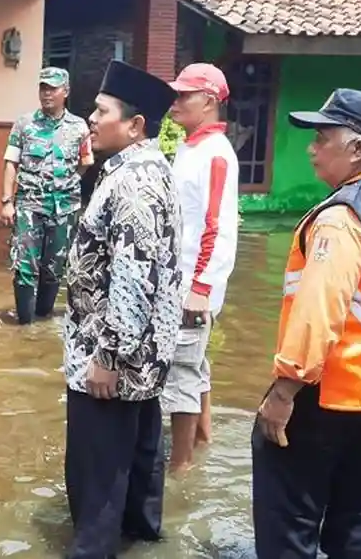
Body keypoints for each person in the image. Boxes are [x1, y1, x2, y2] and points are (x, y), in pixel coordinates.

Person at [252, 89, 361, 558]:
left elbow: (319, 310)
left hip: (326, 395)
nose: (312, 148)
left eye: (322, 138)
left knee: (288, 522)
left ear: (358, 149)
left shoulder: (342, 218)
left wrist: (284, 389)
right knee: (355, 519)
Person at [62, 60, 185, 559]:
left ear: (135, 126)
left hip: (113, 362)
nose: (91, 118)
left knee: (98, 473)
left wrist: (107, 358)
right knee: (139, 460)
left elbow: (134, 276)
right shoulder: (153, 169)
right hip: (146, 359)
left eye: (101, 110)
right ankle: (140, 536)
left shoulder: (132, 183)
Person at [160, 63, 240, 473]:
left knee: (181, 369)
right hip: (181, 279)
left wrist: (201, 288)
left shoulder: (215, 156)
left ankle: (181, 467)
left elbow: (217, 226)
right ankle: (203, 439)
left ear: (209, 101)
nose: (175, 102)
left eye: (184, 95)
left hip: (193, 286)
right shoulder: (191, 148)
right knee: (196, 365)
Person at [0, 67, 93, 325]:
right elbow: (11, 162)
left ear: (66, 92)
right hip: (29, 205)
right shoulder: (24, 124)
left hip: (65, 208)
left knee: (54, 267)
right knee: (24, 266)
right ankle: (25, 325)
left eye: (52, 88)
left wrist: (67, 183)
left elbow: (86, 161)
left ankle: (43, 318)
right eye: (43, 88)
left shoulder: (79, 127)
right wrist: (7, 202)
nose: (46, 93)